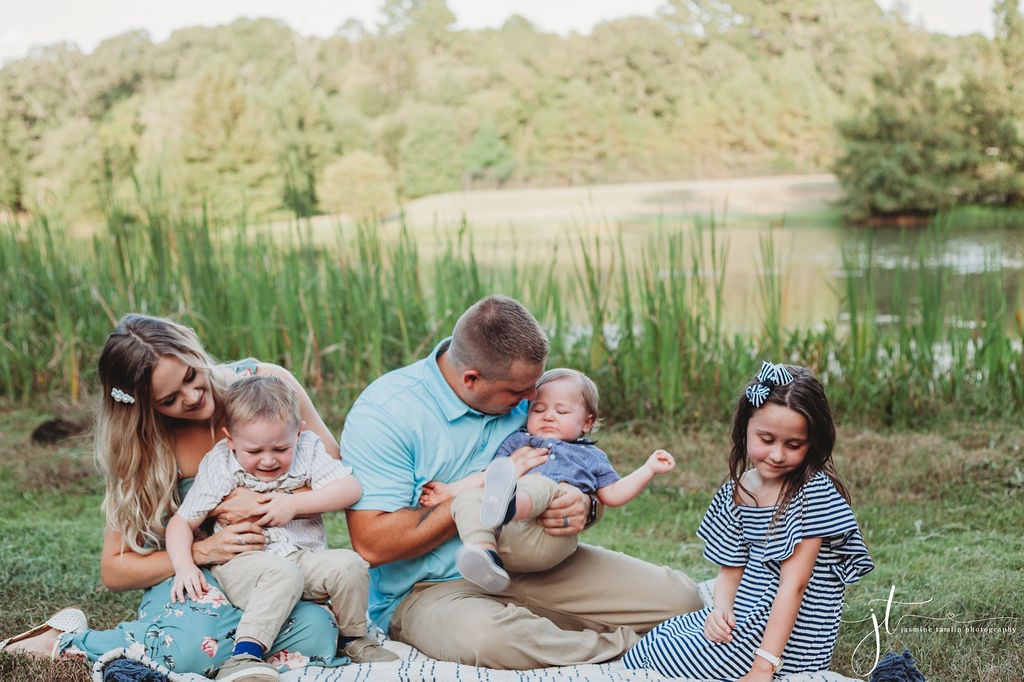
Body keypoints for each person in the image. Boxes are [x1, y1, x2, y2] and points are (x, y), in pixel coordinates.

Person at [340, 294, 704, 669]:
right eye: (519, 392)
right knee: (489, 638)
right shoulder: (386, 414)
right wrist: (476, 497)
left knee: (683, 601)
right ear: (471, 379)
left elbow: (576, 471)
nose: (532, 399)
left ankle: (561, 632)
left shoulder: (529, 398)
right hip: (431, 589)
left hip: (535, 563)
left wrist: (585, 506)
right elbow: (372, 544)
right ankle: (630, 650)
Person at [0, 314, 349, 676]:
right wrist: (203, 549)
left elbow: (333, 472)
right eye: (170, 399)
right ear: (146, 405)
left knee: (318, 632)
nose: (194, 396)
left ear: (191, 349)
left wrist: (260, 501)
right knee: (196, 648)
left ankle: (232, 652)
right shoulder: (145, 446)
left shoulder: (268, 386)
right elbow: (115, 570)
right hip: (195, 572)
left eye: (190, 376)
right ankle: (65, 641)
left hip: (276, 567)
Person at [623, 361, 875, 680]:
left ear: (812, 443)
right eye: (766, 440)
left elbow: (794, 586)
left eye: (793, 445)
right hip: (749, 610)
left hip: (792, 635)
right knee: (656, 645)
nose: (778, 455)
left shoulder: (812, 495)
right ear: (745, 429)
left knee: (673, 661)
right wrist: (721, 609)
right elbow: (731, 567)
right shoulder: (740, 489)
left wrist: (763, 667)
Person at [167, 374, 397, 681]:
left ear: (298, 433)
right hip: (244, 564)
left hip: (301, 559)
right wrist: (184, 566)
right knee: (282, 573)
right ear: (231, 440)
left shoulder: (309, 449)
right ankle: (244, 655)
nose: (267, 460)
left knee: (350, 564)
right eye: (254, 452)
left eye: (280, 448)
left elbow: (350, 488)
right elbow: (182, 521)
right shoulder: (221, 463)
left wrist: (293, 505)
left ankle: (353, 639)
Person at [418, 367, 677, 593]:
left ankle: (509, 503)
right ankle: (485, 557)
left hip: (548, 537)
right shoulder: (518, 442)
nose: (548, 416)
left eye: (562, 411)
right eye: (538, 409)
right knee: (469, 499)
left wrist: (648, 469)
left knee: (542, 485)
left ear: (587, 422)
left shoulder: (589, 456)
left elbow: (614, 494)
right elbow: (488, 476)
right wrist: (451, 490)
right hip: (508, 540)